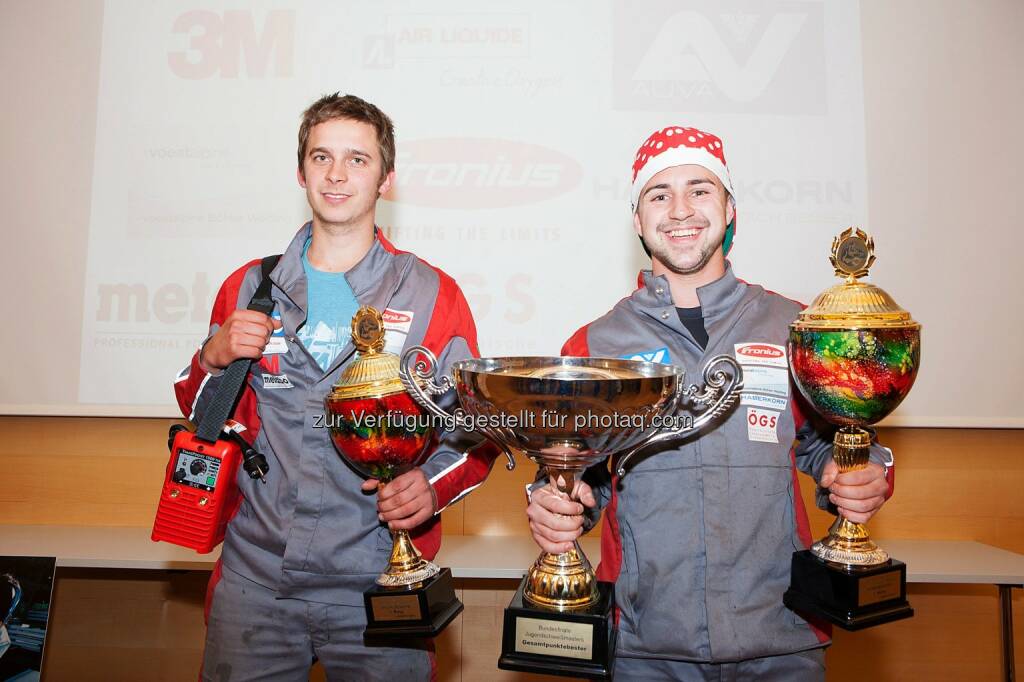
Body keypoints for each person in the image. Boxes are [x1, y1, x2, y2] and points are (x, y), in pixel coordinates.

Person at [525, 125, 895, 680]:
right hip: (645, 649)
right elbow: (581, 475)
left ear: (728, 208)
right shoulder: (595, 346)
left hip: (781, 640)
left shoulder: (797, 328)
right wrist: (557, 502)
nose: (679, 210)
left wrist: (866, 470)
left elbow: (830, 444)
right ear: (637, 221)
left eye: (699, 190)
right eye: (658, 194)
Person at [173, 93, 496, 681]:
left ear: (387, 178)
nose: (338, 175)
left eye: (358, 159)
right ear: (301, 173)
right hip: (257, 579)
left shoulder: (429, 294)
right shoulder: (248, 286)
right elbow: (201, 421)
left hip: (379, 580)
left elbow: (475, 431)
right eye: (322, 158)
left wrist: (430, 485)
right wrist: (211, 358)